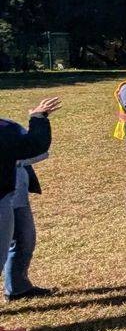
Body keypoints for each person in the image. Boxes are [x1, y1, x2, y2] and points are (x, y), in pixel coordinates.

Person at [2, 97, 60, 302]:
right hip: (6, 192)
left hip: (15, 188)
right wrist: (37, 118)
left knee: (24, 237)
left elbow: (33, 150)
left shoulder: (8, 127)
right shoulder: (5, 129)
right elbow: (35, 147)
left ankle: (17, 287)